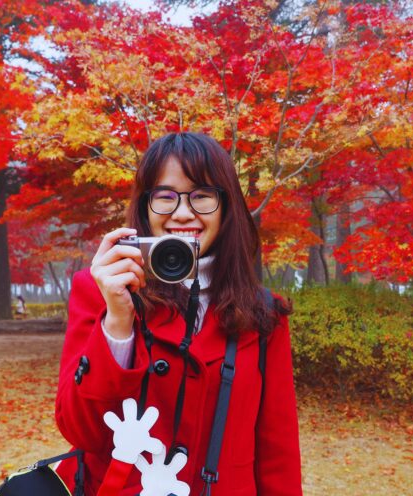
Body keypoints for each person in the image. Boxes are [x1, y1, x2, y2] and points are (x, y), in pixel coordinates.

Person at [54, 132, 302, 495]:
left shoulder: (263, 313)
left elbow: (277, 453)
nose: (183, 212)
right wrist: (118, 322)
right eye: (165, 196)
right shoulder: (100, 290)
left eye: (202, 195)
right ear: (144, 206)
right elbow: (80, 431)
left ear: (226, 205)